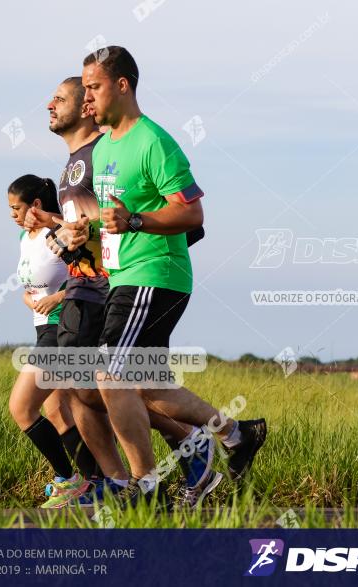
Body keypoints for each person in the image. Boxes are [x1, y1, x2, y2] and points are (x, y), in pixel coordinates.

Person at [73, 46, 265, 506]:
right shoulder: (107, 146)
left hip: (155, 274)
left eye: (94, 87)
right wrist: (91, 227)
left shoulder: (154, 141)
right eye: (84, 89)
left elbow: (192, 212)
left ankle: (143, 484)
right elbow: (119, 213)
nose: (87, 99)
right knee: (146, 384)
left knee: (108, 373)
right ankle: (238, 435)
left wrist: (136, 221)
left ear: (122, 85)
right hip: (127, 274)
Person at [25, 76, 223, 508]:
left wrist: (127, 241)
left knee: (110, 385)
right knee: (90, 389)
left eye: (61, 98)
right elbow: (90, 226)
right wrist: (63, 232)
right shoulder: (74, 161)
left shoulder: (109, 149)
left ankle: (163, 467)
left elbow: (190, 222)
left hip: (110, 287)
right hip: (88, 285)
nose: (49, 105)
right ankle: (129, 481)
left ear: (87, 105)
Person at [6, 174, 93, 508]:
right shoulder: (23, 238)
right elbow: (30, 287)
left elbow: (90, 275)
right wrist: (29, 300)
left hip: (61, 329)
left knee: (22, 407)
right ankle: (93, 483)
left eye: (17, 207)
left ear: (36, 205)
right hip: (41, 329)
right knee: (57, 411)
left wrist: (57, 298)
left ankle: (67, 479)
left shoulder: (55, 234)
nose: (13, 214)